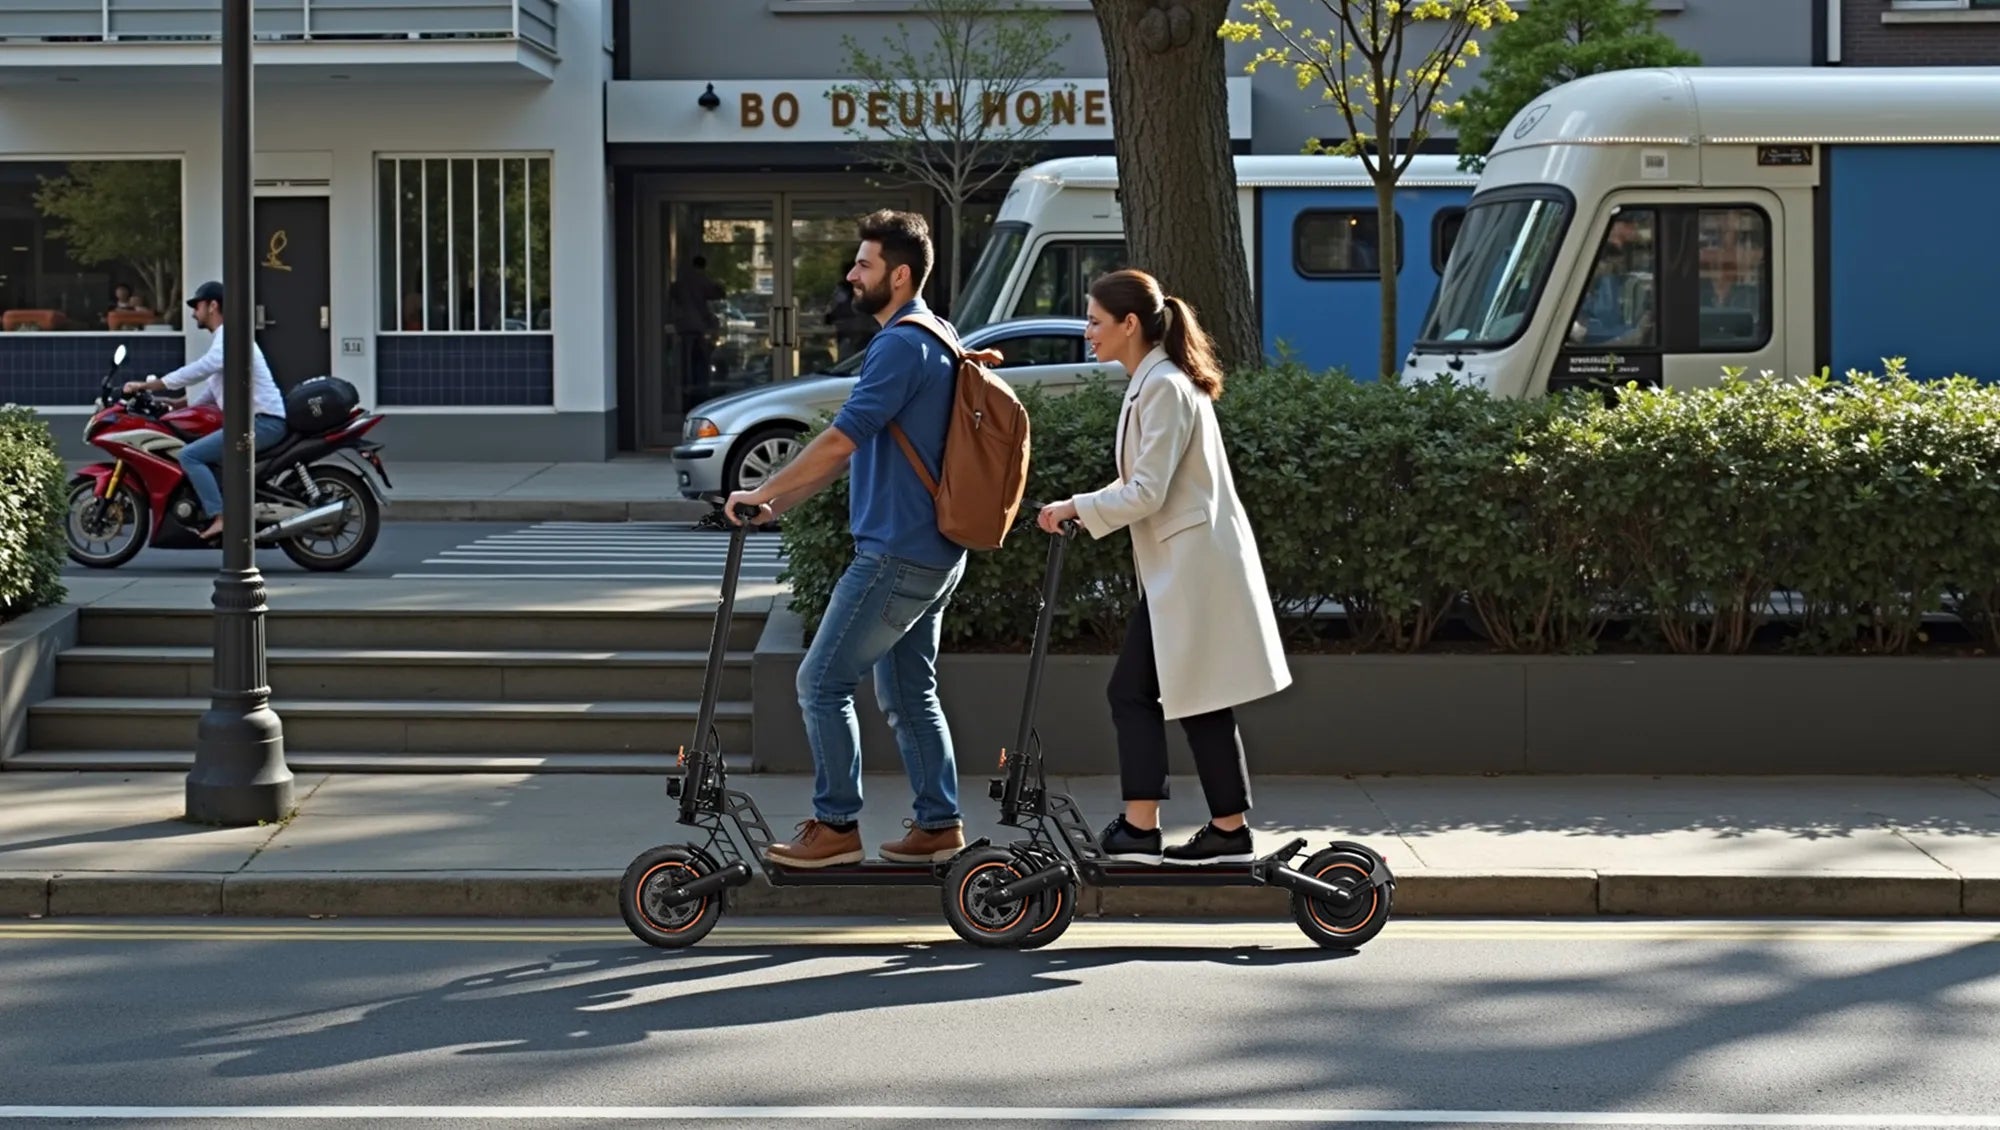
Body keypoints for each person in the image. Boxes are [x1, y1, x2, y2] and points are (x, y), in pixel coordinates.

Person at [723, 209, 969, 869]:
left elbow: (839, 439)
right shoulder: (936, 335)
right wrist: (777, 502)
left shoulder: (898, 343)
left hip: (896, 553)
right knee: (909, 692)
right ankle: (938, 824)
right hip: (935, 551)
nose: (851, 274)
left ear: (901, 273)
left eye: (863, 264)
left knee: (821, 682)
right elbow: (853, 458)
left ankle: (835, 826)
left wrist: (762, 488)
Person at [1036, 268, 1291, 866]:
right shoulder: (1155, 383)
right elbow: (1143, 484)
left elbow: (1145, 490)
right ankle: (1223, 830)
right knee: (1195, 695)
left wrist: (1076, 506)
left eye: (1096, 322)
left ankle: (1143, 826)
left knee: (1137, 692)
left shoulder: (1163, 387)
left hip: (1190, 569)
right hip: (1182, 568)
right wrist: (1085, 506)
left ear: (1130, 325)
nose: (1087, 332)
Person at [122, 280, 288, 542]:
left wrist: (148, 384)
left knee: (190, 456)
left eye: (196, 306)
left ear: (212, 306)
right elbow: (213, 390)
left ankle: (221, 516)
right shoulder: (228, 338)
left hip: (262, 423)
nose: (192, 313)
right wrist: (174, 405)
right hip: (259, 421)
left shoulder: (230, 335)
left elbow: (203, 367)